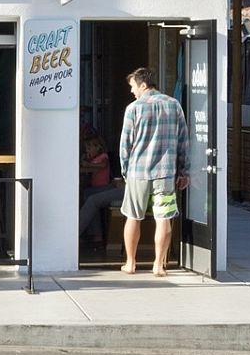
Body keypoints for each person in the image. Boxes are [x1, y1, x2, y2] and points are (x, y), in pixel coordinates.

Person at [117, 66, 188, 277]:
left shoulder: (134, 108)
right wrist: (183, 170)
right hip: (165, 172)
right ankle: (159, 264)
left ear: (143, 85)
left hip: (138, 171)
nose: (132, 91)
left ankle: (130, 263)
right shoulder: (174, 106)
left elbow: (125, 145)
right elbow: (183, 140)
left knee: (133, 216)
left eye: (133, 86)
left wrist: (124, 171)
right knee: (163, 217)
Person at [76, 121, 123, 256]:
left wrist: (86, 165)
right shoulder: (94, 158)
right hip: (103, 188)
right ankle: (96, 235)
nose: (88, 151)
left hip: (105, 186)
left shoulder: (103, 158)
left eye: (90, 148)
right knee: (88, 196)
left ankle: (83, 234)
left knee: (88, 197)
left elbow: (102, 166)